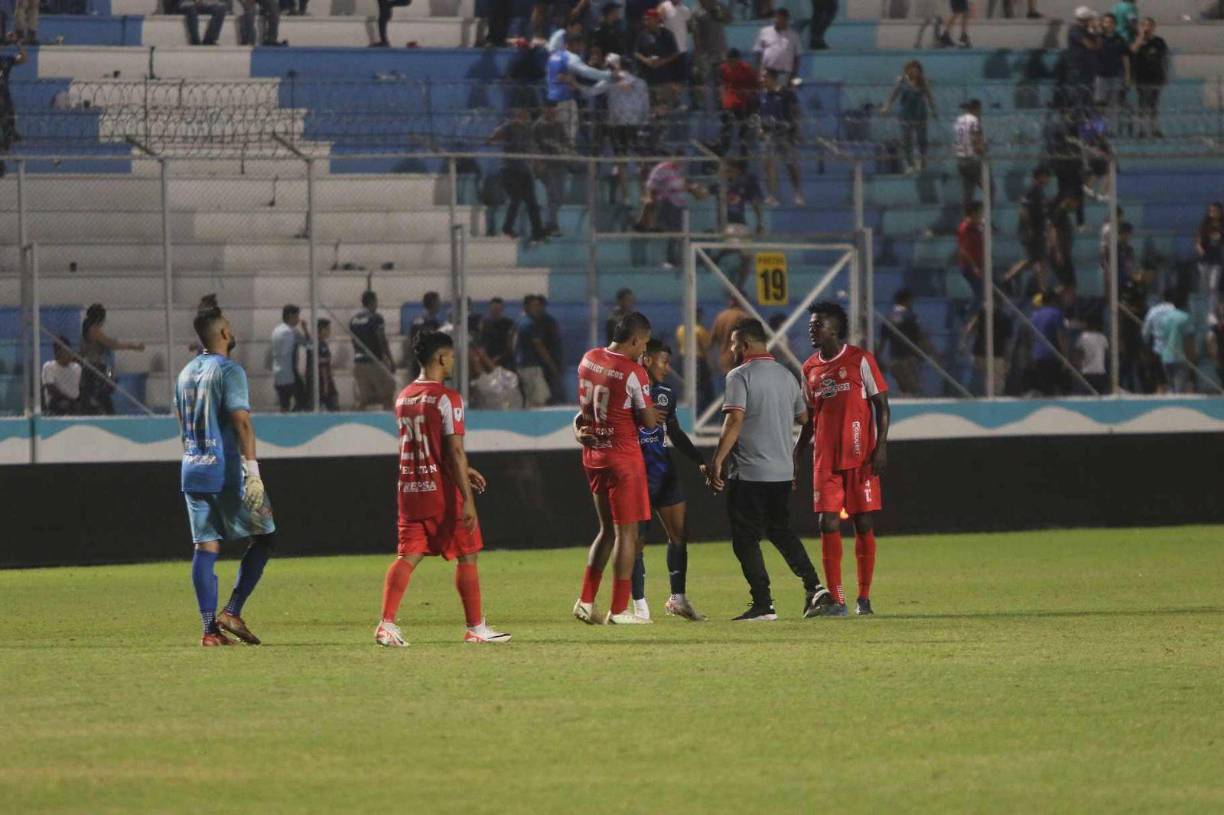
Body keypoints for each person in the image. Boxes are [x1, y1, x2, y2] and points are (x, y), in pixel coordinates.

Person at [374, 331, 511, 647]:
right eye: (450, 356)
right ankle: (476, 627)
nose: (453, 361)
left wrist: (463, 468)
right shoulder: (448, 398)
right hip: (442, 492)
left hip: (409, 488)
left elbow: (430, 446)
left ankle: (386, 624)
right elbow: (453, 451)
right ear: (440, 358)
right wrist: (468, 500)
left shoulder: (403, 396)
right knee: (468, 554)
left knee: (407, 555)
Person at [708, 317, 832, 621]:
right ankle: (815, 587)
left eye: (735, 344)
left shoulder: (739, 376)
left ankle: (763, 603)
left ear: (746, 344)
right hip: (781, 473)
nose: (733, 349)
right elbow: (804, 419)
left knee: (745, 538)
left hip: (750, 473)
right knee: (780, 530)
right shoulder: (787, 377)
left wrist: (717, 460)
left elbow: (734, 420)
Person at [176, 305, 276, 646]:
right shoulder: (231, 371)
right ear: (223, 334)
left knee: (205, 546)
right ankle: (232, 610)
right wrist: (253, 471)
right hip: (226, 470)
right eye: (229, 326)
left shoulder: (185, 373)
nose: (231, 330)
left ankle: (209, 630)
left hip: (193, 469)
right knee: (265, 535)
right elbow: (242, 422)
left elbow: (181, 425)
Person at [796, 301, 889, 616]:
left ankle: (864, 598)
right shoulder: (808, 368)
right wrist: (797, 454)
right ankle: (837, 599)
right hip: (825, 458)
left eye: (818, 323)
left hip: (860, 455)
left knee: (863, 522)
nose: (812, 328)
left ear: (834, 327)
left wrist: (881, 446)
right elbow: (810, 419)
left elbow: (882, 406)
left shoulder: (860, 360)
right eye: (811, 323)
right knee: (827, 522)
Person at [571, 311, 659, 625]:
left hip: (594, 456)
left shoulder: (588, 359)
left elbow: (583, 412)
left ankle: (585, 601)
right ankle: (619, 610)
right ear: (634, 340)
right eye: (644, 344)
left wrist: (577, 430)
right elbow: (649, 423)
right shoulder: (634, 372)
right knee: (628, 534)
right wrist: (649, 394)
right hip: (623, 459)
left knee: (606, 530)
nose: (644, 351)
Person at [626, 339, 708, 621]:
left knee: (680, 535)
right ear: (646, 359)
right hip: (636, 473)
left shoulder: (665, 394)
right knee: (636, 542)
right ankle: (639, 605)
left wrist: (699, 460)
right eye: (664, 361)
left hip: (664, 471)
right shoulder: (625, 389)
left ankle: (678, 598)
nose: (668, 367)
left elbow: (674, 432)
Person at [488, 109, 548, 244]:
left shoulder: (529, 132)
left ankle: (537, 232)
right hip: (510, 169)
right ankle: (507, 228)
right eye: (521, 116)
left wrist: (538, 162)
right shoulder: (509, 127)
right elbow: (493, 138)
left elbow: (533, 148)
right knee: (515, 199)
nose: (523, 120)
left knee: (532, 202)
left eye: (525, 117)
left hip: (524, 170)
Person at [79, 303, 145, 416]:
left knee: (97, 394)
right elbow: (112, 344)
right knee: (102, 393)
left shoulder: (86, 330)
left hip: (91, 367)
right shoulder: (94, 331)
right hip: (96, 367)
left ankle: (104, 412)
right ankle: (109, 415)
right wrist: (134, 346)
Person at [881, 60, 936, 175]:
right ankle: (910, 164)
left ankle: (923, 159)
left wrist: (933, 109)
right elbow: (893, 94)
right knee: (907, 140)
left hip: (920, 114)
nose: (915, 71)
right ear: (908, 70)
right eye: (912, 68)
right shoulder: (902, 81)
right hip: (906, 115)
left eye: (917, 69)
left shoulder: (923, 82)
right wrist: (886, 106)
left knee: (922, 139)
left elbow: (929, 96)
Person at [758, 71, 803, 207]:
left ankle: (798, 194)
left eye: (764, 77)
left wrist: (796, 129)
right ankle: (772, 196)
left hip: (785, 133)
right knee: (768, 165)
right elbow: (762, 112)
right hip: (769, 134)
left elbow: (795, 112)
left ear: (772, 78)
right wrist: (760, 127)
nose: (761, 79)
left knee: (790, 164)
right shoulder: (763, 95)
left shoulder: (786, 94)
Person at [1005, 166, 1053, 291]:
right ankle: (1042, 288)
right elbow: (1024, 210)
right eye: (1047, 176)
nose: (1048, 180)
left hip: (1038, 230)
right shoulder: (1032, 190)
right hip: (1032, 231)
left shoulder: (1040, 191)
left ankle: (1011, 276)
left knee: (1036, 259)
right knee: (1037, 259)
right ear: (1041, 176)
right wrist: (1030, 228)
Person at [877, 289, 930, 397]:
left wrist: (878, 358)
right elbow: (919, 336)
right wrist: (925, 353)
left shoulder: (888, 318)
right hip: (909, 358)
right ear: (907, 301)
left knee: (903, 389)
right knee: (914, 389)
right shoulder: (910, 317)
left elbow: (882, 341)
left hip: (894, 359)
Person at [350, 290, 396, 410]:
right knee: (388, 391)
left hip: (358, 360)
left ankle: (358, 421)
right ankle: (387, 419)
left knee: (365, 398)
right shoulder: (376, 318)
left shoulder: (353, 320)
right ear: (372, 302)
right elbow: (381, 339)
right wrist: (389, 359)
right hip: (373, 360)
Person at [514, 295, 559, 407]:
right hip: (531, 365)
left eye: (538, 305)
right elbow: (539, 346)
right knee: (539, 399)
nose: (537, 308)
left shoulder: (519, 321)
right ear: (526, 307)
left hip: (522, 364)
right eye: (534, 305)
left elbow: (511, 342)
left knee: (530, 397)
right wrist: (551, 365)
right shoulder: (529, 324)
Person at [533, 105, 569, 237]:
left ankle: (550, 222)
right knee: (552, 195)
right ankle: (551, 224)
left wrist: (564, 152)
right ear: (545, 110)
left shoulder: (559, 125)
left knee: (560, 197)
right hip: (547, 166)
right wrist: (539, 162)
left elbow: (565, 142)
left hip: (560, 164)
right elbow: (533, 146)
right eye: (550, 109)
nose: (553, 112)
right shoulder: (537, 126)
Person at [963, 303, 1012, 396]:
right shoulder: (1005, 318)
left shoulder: (981, 315)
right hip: (996, 355)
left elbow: (969, 330)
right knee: (996, 385)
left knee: (979, 380)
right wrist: (1007, 359)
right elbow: (1008, 342)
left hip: (980, 353)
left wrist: (964, 344)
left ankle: (976, 396)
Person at [1130, 18, 1167, 138]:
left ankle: (1154, 129)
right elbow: (1132, 51)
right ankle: (1141, 129)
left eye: (1149, 25)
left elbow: (1163, 59)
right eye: (1144, 25)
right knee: (1142, 104)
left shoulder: (1159, 41)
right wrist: (1140, 38)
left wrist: (1164, 75)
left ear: (1153, 27)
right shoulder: (1137, 41)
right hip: (1141, 77)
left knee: (1153, 105)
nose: (1147, 28)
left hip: (1156, 76)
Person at [1026, 289, 1069, 396]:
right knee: (1055, 387)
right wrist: (1065, 356)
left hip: (1037, 356)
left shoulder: (1034, 316)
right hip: (1052, 355)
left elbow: (1030, 337)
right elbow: (1061, 336)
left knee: (1044, 387)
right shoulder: (1056, 314)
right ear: (1053, 301)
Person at [717, 49, 759, 155]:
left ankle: (743, 150)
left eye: (732, 61)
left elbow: (756, 86)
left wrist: (748, 92)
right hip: (731, 99)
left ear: (737, 60)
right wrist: (722, 97)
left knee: (744, 125)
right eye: (728, 61)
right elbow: (722, 84)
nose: (730, 63)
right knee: (727, 122)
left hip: (744, 100)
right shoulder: (723, 69)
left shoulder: (746, 68)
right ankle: (723, 149)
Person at [634, 8, 681, 101]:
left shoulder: (667, 34)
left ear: (656, 19)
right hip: (649, 76)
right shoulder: (643, 35)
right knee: (653, 104)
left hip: (666, 76)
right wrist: (646, 60)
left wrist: (663, 61)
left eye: (649, 19)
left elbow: (675, 53)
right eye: (645, 19)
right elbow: (636, 53)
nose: (646, 22)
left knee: (667, 103)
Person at [1154, 288, 1195, 393]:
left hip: (1166, 357)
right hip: (1180, 357)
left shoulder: (1165, 318)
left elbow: (1161, 337)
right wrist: (1191, 359)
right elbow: (1188, 340)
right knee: (1179, 389)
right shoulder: (1185, 318)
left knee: (1171, 387)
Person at [271, 304, 308, 413]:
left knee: (284, 404)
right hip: (291, 373)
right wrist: (305, 330)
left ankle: (284, 424)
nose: (298, 319)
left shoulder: (276, 330)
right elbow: (309, 345)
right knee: (303, 401)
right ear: (291, 316)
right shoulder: (292, 331)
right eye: (297, 316)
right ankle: (294, 422)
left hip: (278, 372)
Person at [1093, 14, 1129, 125]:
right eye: (1106, 22)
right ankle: (1098, 129)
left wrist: (1127, 75)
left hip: (1115, 75)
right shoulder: (1098, 38)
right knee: (1099, 104)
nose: (1108, 25)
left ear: (1115, 24)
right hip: (1101, 75)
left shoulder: (1119, 39)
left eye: (1111, 22)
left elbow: (1125, 57)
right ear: (1103, 24)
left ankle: (1110, 129)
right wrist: (1097, 31)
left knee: (1113, 104)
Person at [675, 309, 714, 409]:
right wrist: (710, 365)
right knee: (705, 389)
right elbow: (706, 348)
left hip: (683, 359)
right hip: (698, 360)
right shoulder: (699, 330)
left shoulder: (680, 329)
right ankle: (703, 411)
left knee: (686, 387)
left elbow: (679, 345)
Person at [0, 35, 26, 179]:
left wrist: (17, 43)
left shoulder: (6, 59)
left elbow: (23, 58)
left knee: (7, 124)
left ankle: (2, 163)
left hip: (4, 97)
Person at [954, 99, 986, 210]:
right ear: (976, 109)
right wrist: (982, 150)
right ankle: (985, 217)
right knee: (989, 188)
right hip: (972, 159)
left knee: (968, 191)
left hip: (960, 159)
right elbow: (975, 139)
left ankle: (967, 218)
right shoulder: (974, 120)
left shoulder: (959, 120)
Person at [752, 9, 800, 83]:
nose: (778, 21)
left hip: (785, 73)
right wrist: (758, 72)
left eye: (781, 19)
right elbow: (758, 52)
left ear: (786, 20)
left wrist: (794, 75)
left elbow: (797, 56)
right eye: (777, 18)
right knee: (768, 93)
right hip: (768, 71)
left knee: (783, 92)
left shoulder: (794, 35)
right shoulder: (765, 32)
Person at [1066, 7, 1100, 110]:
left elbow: (1098, 46)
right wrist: (1094, 32)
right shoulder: (1075, 30)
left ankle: (1084, 120)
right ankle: (1076, 121)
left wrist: (1095, 31)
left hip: (1088, 68)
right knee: (1080, 97)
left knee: (1088, 96)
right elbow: (1090, 45)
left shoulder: (1087, 31)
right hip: (1079, 69)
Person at [1196, 202, 1223, 323]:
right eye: (1211, 211)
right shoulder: (1204, 225)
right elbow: (1198, 241)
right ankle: (1206, 310)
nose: (1213, 213)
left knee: (1213, 286)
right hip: (1205, 260)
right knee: (1205, 287)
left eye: (1215, 211)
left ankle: (1211, 312)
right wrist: (1200, 249)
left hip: (1217, 260)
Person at [42, 336, 82, 415]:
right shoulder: (49, 367)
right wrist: (69, 400)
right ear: (57, 352)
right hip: (57, 401)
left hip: (75, 401)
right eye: (63, 351)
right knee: (64, 404)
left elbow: (80, 386)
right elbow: (51, 389)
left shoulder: (77, 367)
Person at [304, 318, 339, 411]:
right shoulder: (322, 345)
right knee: (333, 404)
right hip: (322, 380)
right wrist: (326, 385)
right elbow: (323, 366)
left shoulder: (312, 342)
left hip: (311, 379)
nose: (329, 332)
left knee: (314, 405)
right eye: (328, 329)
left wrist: (305, 330)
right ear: (323, 329)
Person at [710, 293, 748, 375]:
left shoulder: (720, 317)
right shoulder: (742, 316)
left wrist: (711, 361)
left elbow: (712, 341)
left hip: (724, 359)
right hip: (739, 359)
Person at [957, 201, 986, 303]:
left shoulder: (977, 226)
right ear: (974, 213)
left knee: (986, 292)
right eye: (980, 212)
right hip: (970, 267)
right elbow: (964, 250)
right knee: (980, 294)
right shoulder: (966, 228)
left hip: (980, 265)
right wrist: (975, 267)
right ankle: (968, 316)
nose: (982, 215)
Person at [1075, 312, 1110, 393]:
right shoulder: (1103, 337)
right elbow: (1107, 355)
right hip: (1100, 372)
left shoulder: (1082, 337)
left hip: (1087, 372)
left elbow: (1078, 355)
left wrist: (1077, 368)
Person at [478, 297, 516, 370]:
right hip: (487, 359)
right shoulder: (484, 323)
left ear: (502, 309)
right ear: (490, 309)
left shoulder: (509, 324)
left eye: (498, 309)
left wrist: (501, 357)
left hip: (505, 359)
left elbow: (511, 345)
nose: (496, 311)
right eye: (494, 309)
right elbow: (481, 342)